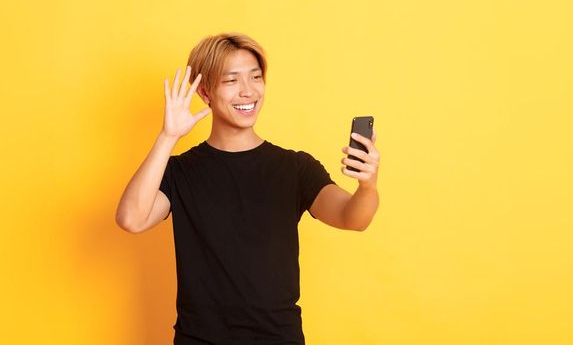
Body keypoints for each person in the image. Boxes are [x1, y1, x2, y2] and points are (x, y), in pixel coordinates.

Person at [115, 33, 380, 345]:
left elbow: (353, 218)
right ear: (205, 92)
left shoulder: (295, 168)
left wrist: (367, 185)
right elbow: (131, 219)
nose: (248, 91)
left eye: (256, 77)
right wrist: (167, 137)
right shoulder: (180, 171)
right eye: (231, 80)